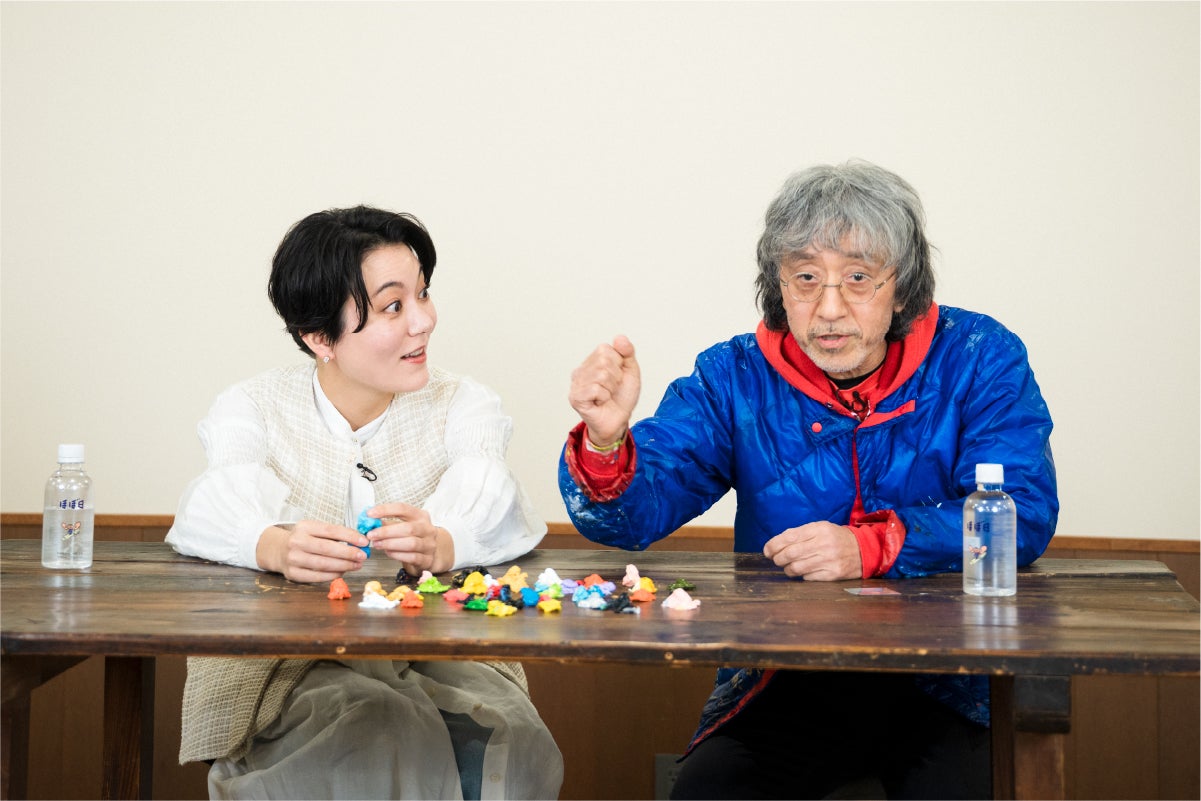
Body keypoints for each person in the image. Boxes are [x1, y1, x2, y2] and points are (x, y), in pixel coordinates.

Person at [560, 161, 1058, 799]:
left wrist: (871, 546)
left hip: (949, 679)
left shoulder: (979, 355)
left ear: (902, 287)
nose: (829, 308)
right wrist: (607, 441)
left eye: (858, 278)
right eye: (805, 278)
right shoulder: (734, 376)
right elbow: (630, 520)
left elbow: (1022, 512)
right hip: (782, 675)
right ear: (778, 287)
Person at [167, 206, 563, 800]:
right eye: (393, 306)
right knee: (376, 727)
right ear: (319, 337)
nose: (423, 321)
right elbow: (210, 507)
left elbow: (494, 495)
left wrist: (442, 540)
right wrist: (272, 545)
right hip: (287, 659)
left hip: (434, 647)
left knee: (512, 732)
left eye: (422, 294)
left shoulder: (464, 402)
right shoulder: (252, 406)